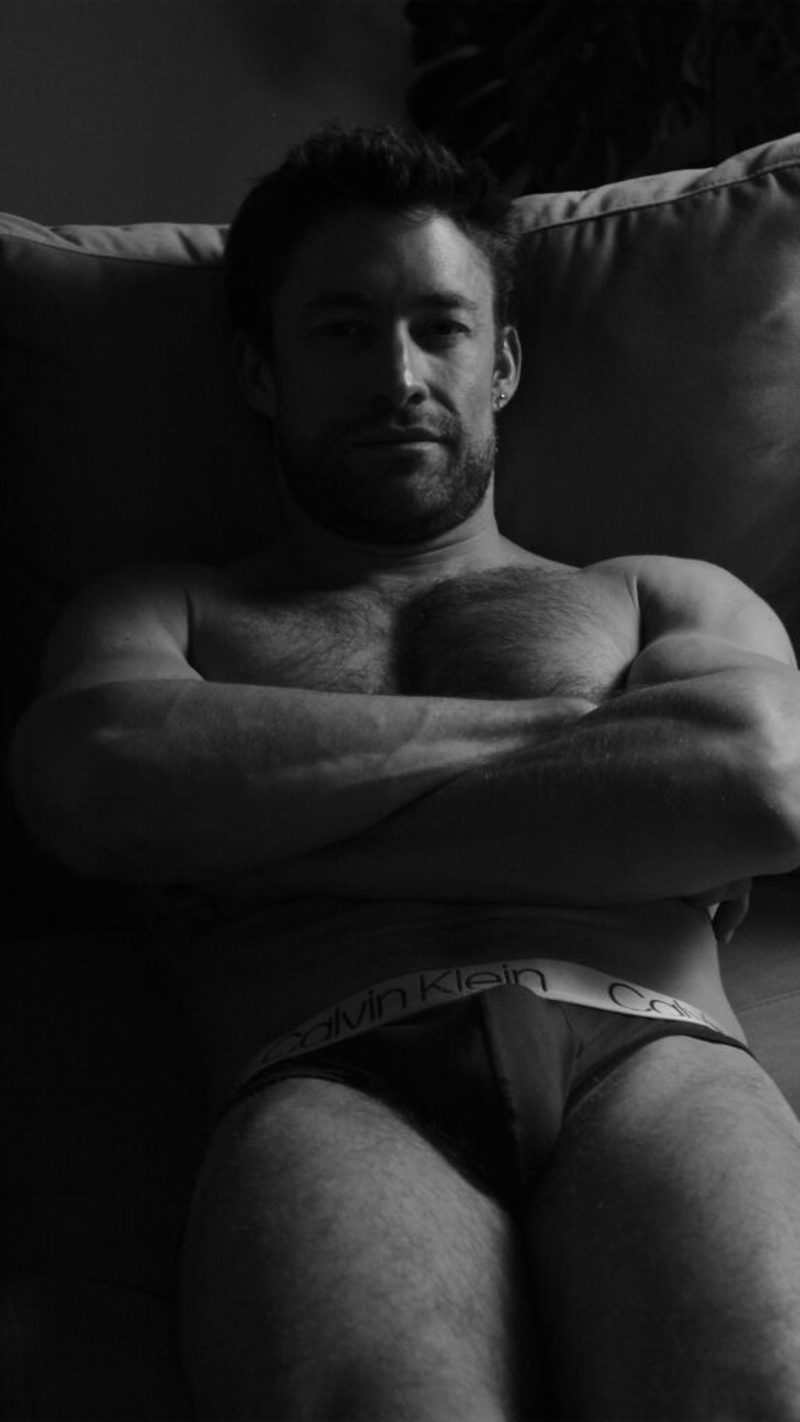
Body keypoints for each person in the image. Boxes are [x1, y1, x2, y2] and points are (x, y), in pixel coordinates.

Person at [10, 125, 800, 1421]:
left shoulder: (657, 593)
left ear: (504, 361)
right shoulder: (170, 612)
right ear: (259, 369)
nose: (399, 375)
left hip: (655, 1052)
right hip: (331, 1072)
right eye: (341, 330)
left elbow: (763, 783)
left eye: (441, 327)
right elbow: (91, 780)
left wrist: (267, 834)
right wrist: (585, 754)